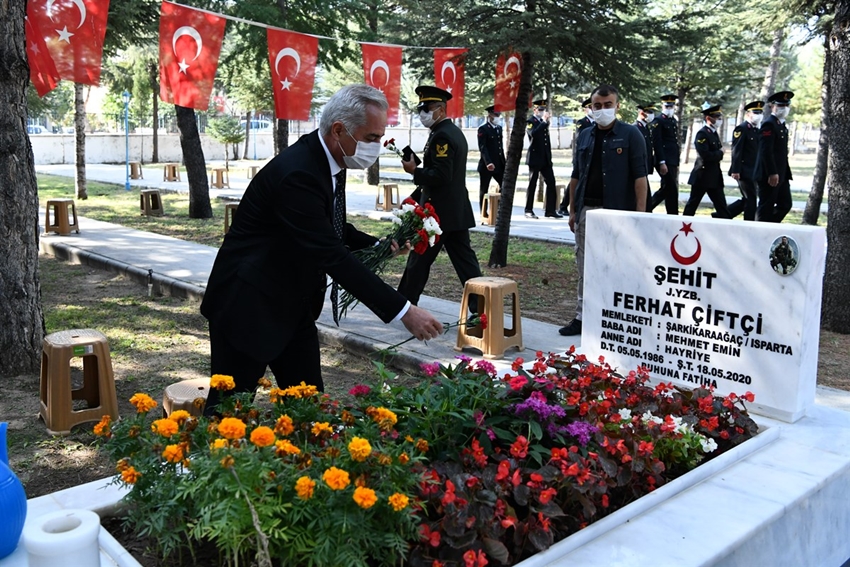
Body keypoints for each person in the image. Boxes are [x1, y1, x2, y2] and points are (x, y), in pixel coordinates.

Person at [200, 84, 443, 414]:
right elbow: (330, 253)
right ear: (339, 130)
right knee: (228, 415)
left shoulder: (329, 161)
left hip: (293, 305)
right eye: (371, 137)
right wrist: (404, 311)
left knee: (310, 411)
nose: (376, 146)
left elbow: (329, 227)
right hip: (247, 306)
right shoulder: (298, 173)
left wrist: (379, 246)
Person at [560, 84, 648, 336]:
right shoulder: (585, 135)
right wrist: (573, 211)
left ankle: (614, 317)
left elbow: (640, 178)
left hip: (618, 212)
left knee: (619, 265)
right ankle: (582, 316)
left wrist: (640, 216)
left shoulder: (631, 135)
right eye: (597, 105)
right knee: (584, 266)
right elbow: (576, 175)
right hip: (587, 210)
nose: (602, 110)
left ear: (617, 106)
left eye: (608, 105)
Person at [397, 85, 483, 307]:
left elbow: (442, 175)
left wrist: (414, 171)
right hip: (454, 211)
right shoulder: (448, 131)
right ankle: (481, 307)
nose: (423, 113)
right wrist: (415, 195)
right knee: (466, 264)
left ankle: (403, 305)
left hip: (438, 214)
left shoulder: (442, 136)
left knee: (418, 260)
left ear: (441, 109)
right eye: (420, 109)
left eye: (427, 109)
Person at [683, 105, 730, 217]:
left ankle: (726, 224)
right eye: (717, 117)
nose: (719, 119)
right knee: (692, 205)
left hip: (714, 176)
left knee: (722, 207)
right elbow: (705, 155)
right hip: (702, 176)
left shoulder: (713, 133)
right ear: (708, 118)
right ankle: (684, 224)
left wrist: (719, 153)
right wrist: (720, 153)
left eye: (720, 116)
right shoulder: (702, 134)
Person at [755, 91, 794, 223]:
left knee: (785, 204)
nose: (784, 108)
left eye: (786, 105)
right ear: (772, 106)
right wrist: (772, 172)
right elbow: (766, 151)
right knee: (766, 206)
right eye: (780, 105)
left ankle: (770, 227)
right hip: (769, 174)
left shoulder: (781, 125)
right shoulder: (769, 124)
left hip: (781, 173)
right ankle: (760, 230)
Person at [524, 99, 562, 219]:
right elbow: (533, 134)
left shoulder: (543, 122)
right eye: (540, 109)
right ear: (535, 110)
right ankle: (528, 210)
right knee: (532, 183)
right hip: (535, 157)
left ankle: (550, 210)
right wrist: (544, 122)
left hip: (545, 158)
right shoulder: (530, 121)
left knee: (551, 183)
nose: (542, 111)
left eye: (543, 109)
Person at [726, 100, 764, 221]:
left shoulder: (756, 130)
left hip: (754, 170)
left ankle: (724, 214)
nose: (758, 115)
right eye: (755, 113)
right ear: (748, 114)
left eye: (760, 113)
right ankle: (749, 223)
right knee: (750, 198)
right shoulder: (741, 129)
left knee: (748, 198)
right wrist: (735, 170)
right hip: (743, 170)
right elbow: (736, 151)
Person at [558, 98, 593, 215]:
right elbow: (580, 140)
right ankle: (564, 205)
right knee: (576, 180)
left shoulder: (597, 123)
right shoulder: (582, 123)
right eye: (590, 107)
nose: (593, 110)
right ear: (585, 110)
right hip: (582, 157)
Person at [649, 93, 681, 215]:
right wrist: (662, 161)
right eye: (667, 106)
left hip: (672, 160)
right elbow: (657, 143)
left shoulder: (672, 120)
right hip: (664, 160)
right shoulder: (658, 121)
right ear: (662, 106)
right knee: (669, 187)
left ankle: (672, 214)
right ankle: (647, 207)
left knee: (669, 188)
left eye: (671, 106)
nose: (669, 109)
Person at [477, 105, 505, 221]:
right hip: (486, 165)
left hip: (499, 164)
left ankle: (498, 210)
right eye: (495, 114)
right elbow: (483, 148)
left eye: (499, 114)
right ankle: (484, 213)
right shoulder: (483, 129)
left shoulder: (499, 128)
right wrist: (488, 162)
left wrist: (504, 162)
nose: (498, 116)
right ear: (490, 115)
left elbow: (500, 148)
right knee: (484, 189)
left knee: (504, 185)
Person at [634, 103, 656, 212]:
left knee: (647, 198)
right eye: (649, 112)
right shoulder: (635, 128)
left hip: (645, 166)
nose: (651, 115)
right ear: (642, 113)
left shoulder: (645, 128)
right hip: (639, 168)